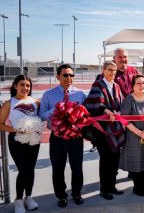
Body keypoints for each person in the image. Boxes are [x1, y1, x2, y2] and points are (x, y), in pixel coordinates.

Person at [39, 64, 86, 208]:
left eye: (71, 75)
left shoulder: (80, 94)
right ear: (58, 77)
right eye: (65, 75)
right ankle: (61, 195)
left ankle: (77, 193)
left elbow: (86, 115)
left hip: (76, 138)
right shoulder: (49, 94)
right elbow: (41, 115)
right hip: (58, 137)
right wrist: (56, 110)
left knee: (77, 167)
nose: (69, 78)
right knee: (58, 168)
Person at [84, 61, 125, 200]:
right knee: (106, 159)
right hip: (102, 131)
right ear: (103, 70)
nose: (112, 73)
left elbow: (121, 103)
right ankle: (104, 189)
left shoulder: (117, 86)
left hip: (116, 129)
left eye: (114, 70)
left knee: (115, 158)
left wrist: (119, 112)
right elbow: (92, 104)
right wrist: (106, 111)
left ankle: (112, 185)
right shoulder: (97, 85)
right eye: (110, 70)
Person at [0, 75, 40, 213]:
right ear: (15, 86)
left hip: (33, 140)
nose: (25, 88)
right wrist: (17, 130)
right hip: (17, 140)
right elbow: (1, 125)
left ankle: (28, 197)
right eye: (22, 85)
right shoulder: (8, 104)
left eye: (28, 85)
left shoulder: (36, 102)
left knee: (31, 169)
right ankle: (18, 200)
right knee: (23, 170)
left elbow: (40, 119)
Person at [119, 75, 144, 196]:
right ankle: (137, 187)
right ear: (133, 86)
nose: (141, 86)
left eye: (143, 83)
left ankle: (142, 185)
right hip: (134, 136)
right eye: (138, 83)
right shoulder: (128, 100)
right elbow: (125, 121)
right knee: (137, 161)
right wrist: (140, 133)